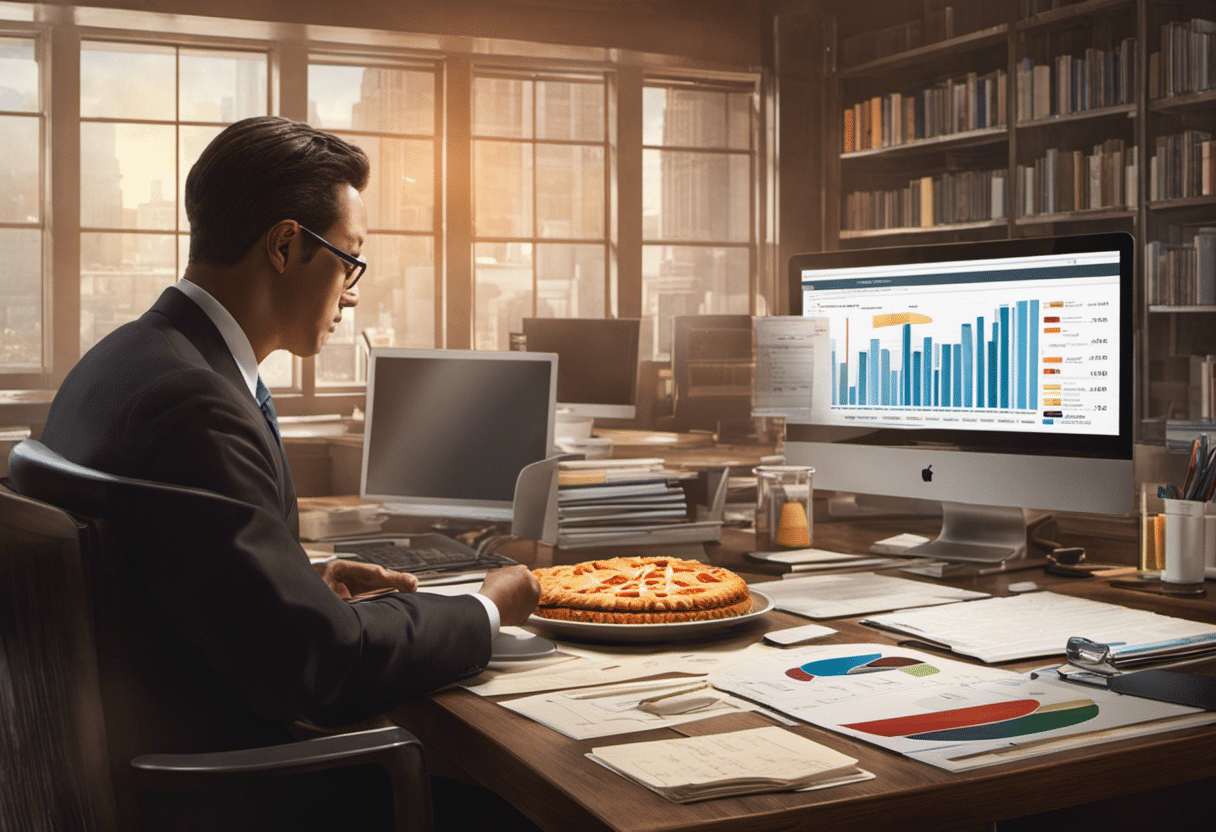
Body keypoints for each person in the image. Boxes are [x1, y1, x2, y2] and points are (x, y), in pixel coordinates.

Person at [40, 116, 540, 754]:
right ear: (283, 247)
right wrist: (486, 608)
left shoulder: (122, 361)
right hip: (239, 789)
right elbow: (321, 667)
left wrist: (302, 581)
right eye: (348, 261)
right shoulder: (196, 404)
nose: (351, 296)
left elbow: (168, 571)